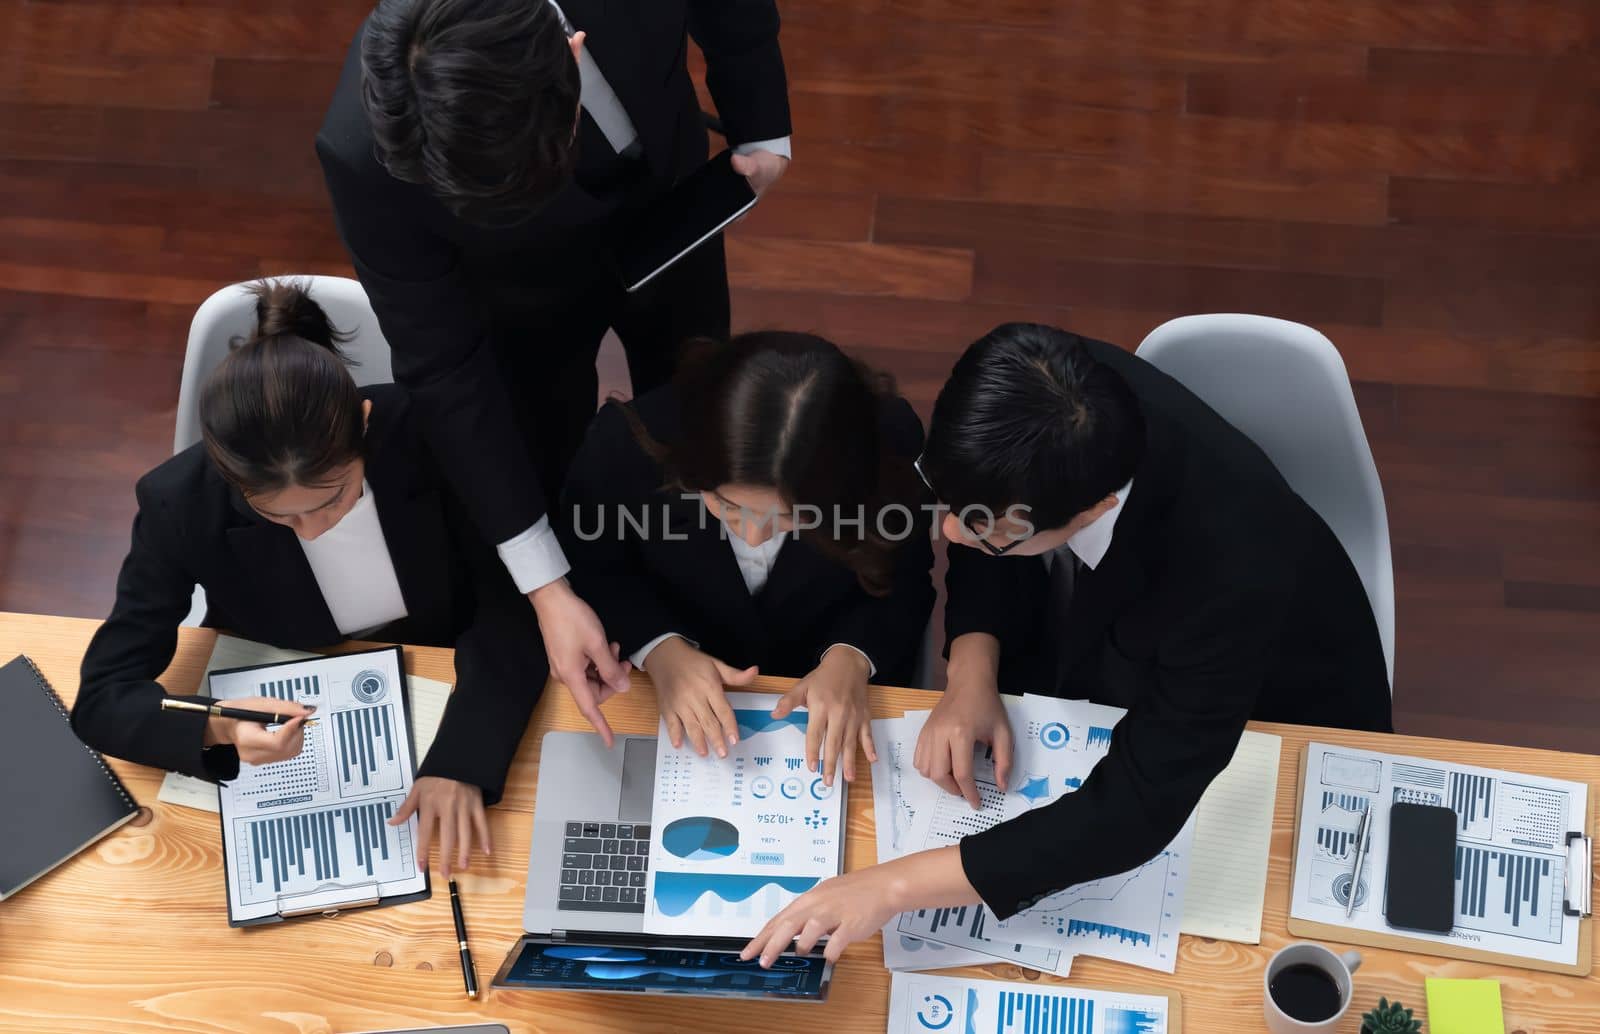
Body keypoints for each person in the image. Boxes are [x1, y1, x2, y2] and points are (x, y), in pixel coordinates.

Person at [739, 322, 1393, 966]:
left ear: (1094, 509)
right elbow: (985, 506)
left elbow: (1139, 806)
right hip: (1103, 638)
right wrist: (971, 672)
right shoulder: (1028, 393)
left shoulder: (1228, 566)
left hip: (1278, 697)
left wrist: (892, 885)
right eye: (946, 503)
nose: (949, 535)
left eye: (983, 533)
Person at [317, 0, 794, 739]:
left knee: (701, 416)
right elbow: (441, 363)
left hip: (667, 190)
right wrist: (546, 587)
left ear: (568, 55)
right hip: (520, 298)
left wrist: (762, 124)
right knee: (552, 468)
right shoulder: (362, 150)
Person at [73, 281, 550, 878]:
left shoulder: (437, 436)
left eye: (334, 499)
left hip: (444, 666)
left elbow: (514, 600)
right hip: (290, 688)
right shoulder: (179, 503)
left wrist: (463, 759)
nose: (312, 531)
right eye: (276, 513)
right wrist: (216, 723)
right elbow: (101, 698)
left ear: (366, 427)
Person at [558, 332, 935, 785]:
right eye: (729, 506)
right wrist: (659, 649)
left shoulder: (892, 442)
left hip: (829, 683)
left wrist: (852, 657)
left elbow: (907, 578)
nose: (754, 536)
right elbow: (593, 568)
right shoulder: (625, 444)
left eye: (792, 516)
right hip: (662, 684)